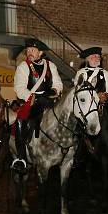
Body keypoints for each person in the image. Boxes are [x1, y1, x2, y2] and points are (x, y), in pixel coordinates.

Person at [11, 38, 63, 172]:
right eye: (28, 50)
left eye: (33, 50)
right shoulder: (23, 66)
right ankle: (21, 158)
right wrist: (33, 96)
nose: (29, 52)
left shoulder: (50, 66)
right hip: (31, 102)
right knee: (20, 121)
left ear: (40, 52)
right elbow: (19, 87)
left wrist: (54, 90)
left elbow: (58, 83)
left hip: (49, 101)